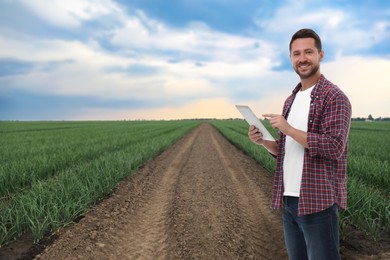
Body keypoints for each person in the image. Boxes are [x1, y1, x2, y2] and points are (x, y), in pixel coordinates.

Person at [248, 28, 352, 260]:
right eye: (296, 54)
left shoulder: (334, 97)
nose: (302, 58)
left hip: (317, 203)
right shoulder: (292, 99)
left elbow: (334, 147)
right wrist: (264, 141)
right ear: (290, 58)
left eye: (308, 52)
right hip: (288, 199)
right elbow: (287, 150)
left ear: (320, 55)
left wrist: (288, 129)